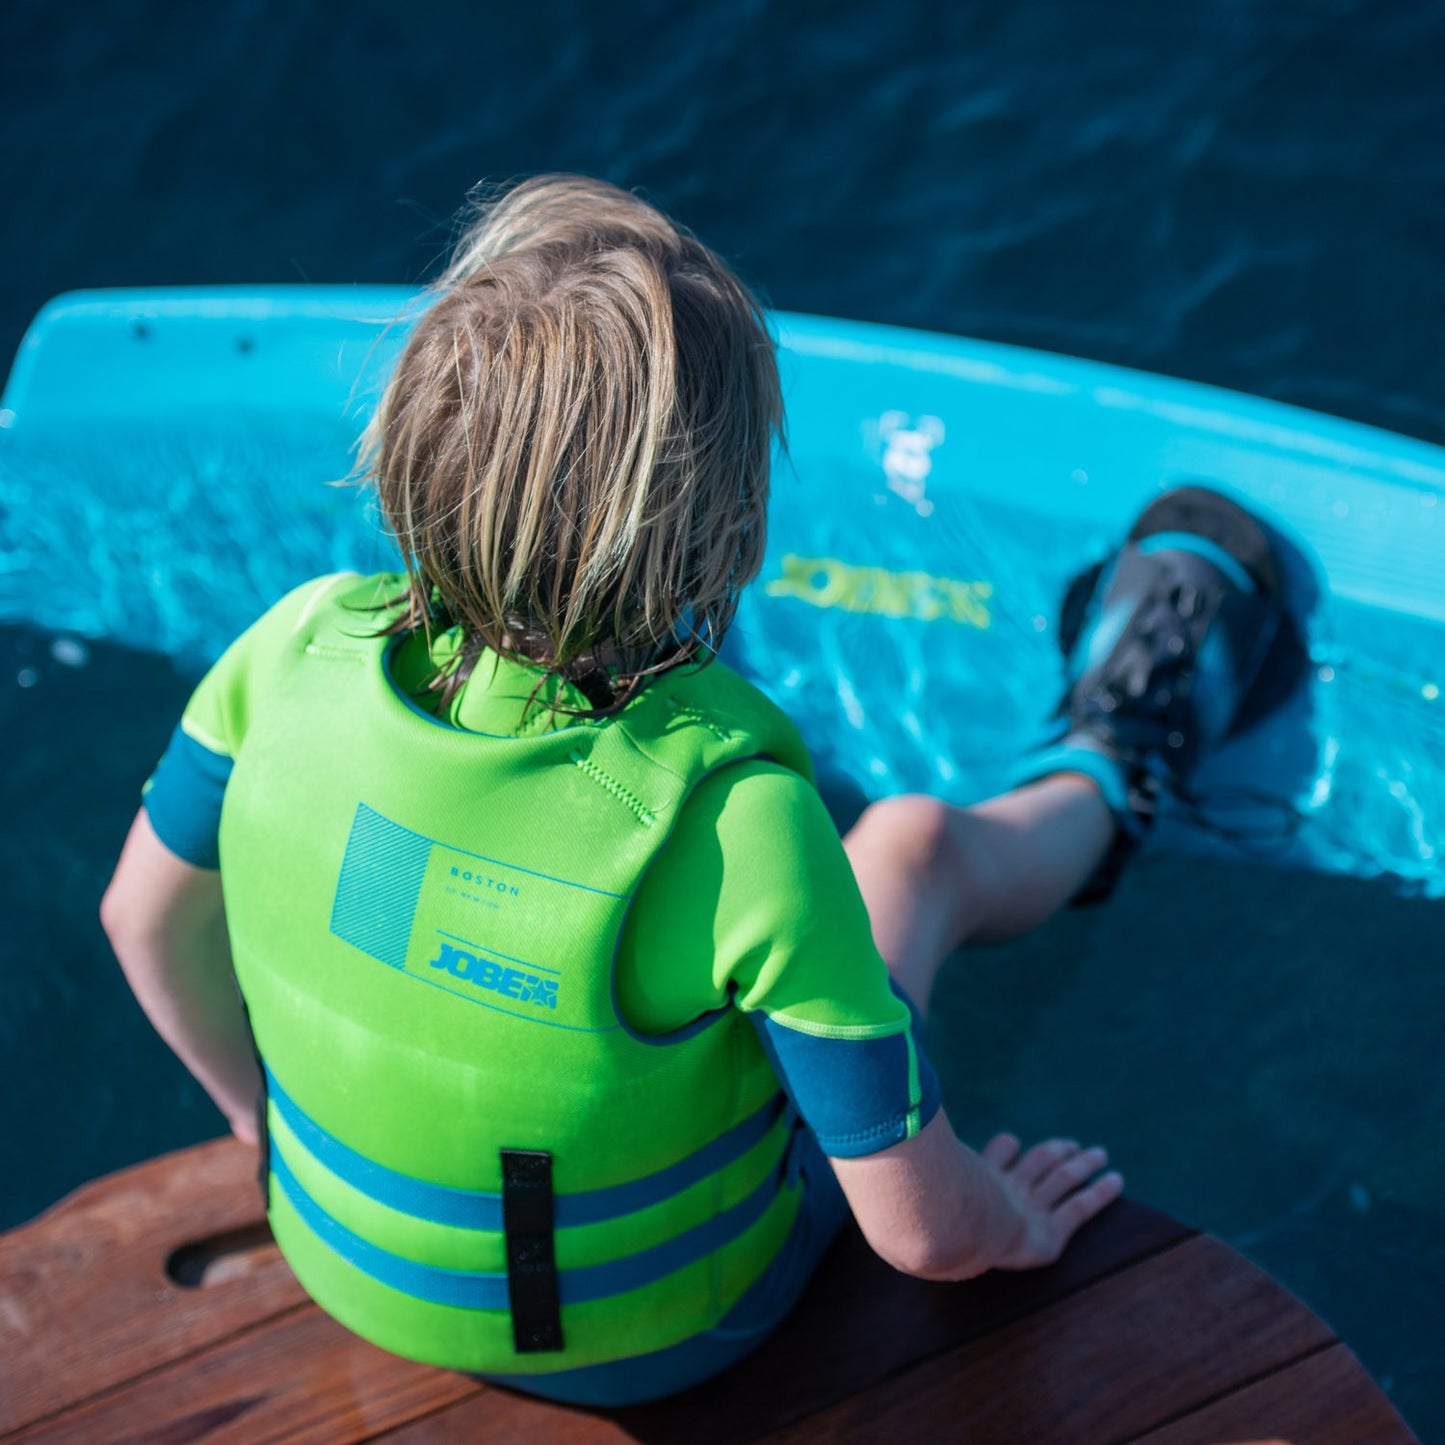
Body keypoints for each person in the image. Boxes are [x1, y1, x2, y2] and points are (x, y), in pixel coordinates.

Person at [101, 175, 1292, 1406]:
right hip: (673, 1333)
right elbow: (922, 1235)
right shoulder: (734, 821)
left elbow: (138, 919)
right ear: (721, 532)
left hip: (347, 1264)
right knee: (912, 843)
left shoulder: (283, 653)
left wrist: (255, 1117)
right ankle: (1116, 756)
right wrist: (1010, 1219)